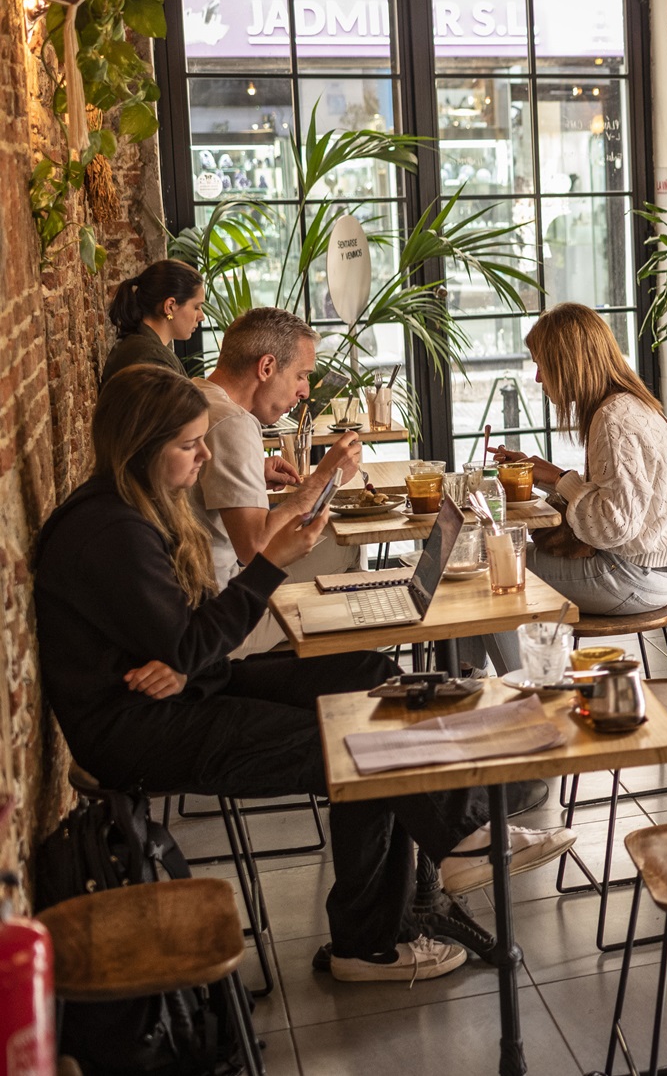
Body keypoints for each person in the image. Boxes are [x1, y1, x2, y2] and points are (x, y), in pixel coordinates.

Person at [33, 366, 576, 983]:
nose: (205, 455)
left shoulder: (131, 508)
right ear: (143, 447)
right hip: (141, 729)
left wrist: (180, 659)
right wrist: (265, 567)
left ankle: (457, 840)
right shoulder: (113, 532)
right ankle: (372, 938)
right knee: (354, 741)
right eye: (190, 444)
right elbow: (189, 641)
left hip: (188, 688)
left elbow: (184, 645)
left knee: (370, 678)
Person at [486, 302, 667, 643]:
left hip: (631, 577)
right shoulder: (629, 405)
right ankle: (486, 678)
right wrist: (553, 476)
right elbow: (621, 503)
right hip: (656, 572)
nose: (538, 377)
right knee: (505, 562)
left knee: (493, 574)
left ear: (566, 364)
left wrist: (560, 480)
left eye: (541, 365)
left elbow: (613, 526)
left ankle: (513, 688)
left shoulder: (613, 419)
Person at [192, 307, 359, 587]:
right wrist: (323, 479)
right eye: (301, 375)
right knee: (346, 545)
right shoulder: (233, 422)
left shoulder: (197, 394)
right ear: (266, 367)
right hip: (221, 600)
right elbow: (256, 548)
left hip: (186, 589)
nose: (305, 391)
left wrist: (253, 474)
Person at [101, 258, 203, 384]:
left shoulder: (142, 346)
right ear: (170, 307)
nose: (201, 316)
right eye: (196, 307)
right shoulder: (153, 358)